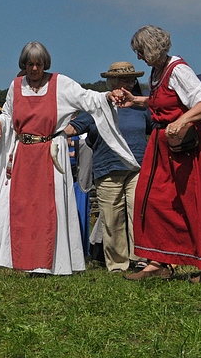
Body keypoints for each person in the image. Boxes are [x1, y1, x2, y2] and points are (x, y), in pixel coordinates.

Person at [0, 42, 136, 276]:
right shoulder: (16, 86)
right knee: (22, 208)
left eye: (39, 63)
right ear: (23, 64)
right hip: (23, 153)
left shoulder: (60, 84)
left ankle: (50, 262)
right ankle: (22, 260)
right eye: (30, 64)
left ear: (45, 63)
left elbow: (87, 99)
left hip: (50, 153)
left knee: (49, 208)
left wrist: (107, 96)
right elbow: (7, 112)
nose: (34, 69)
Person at [116, 25, 201, 283]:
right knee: (151, 200)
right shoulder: (157, 72)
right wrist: (138, 101)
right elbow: (165, 102)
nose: (139, 57)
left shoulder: (178, 69)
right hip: (163, 146)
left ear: (153, 48)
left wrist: (181, 121)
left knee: (197, 204)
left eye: (141, 51)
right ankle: (158, 262)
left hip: (188, 147)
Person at [65, 62, 152, 273]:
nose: (128, 84)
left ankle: (141, 259)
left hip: (137, 168)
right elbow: (70, 129)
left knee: (138, 212)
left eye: (131, 79)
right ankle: (117, 264)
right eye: (123, 79)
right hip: (107, 168)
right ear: (111, 82)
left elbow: (157, 126)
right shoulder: (96, 106)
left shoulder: (141, 108)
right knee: (112, 217)